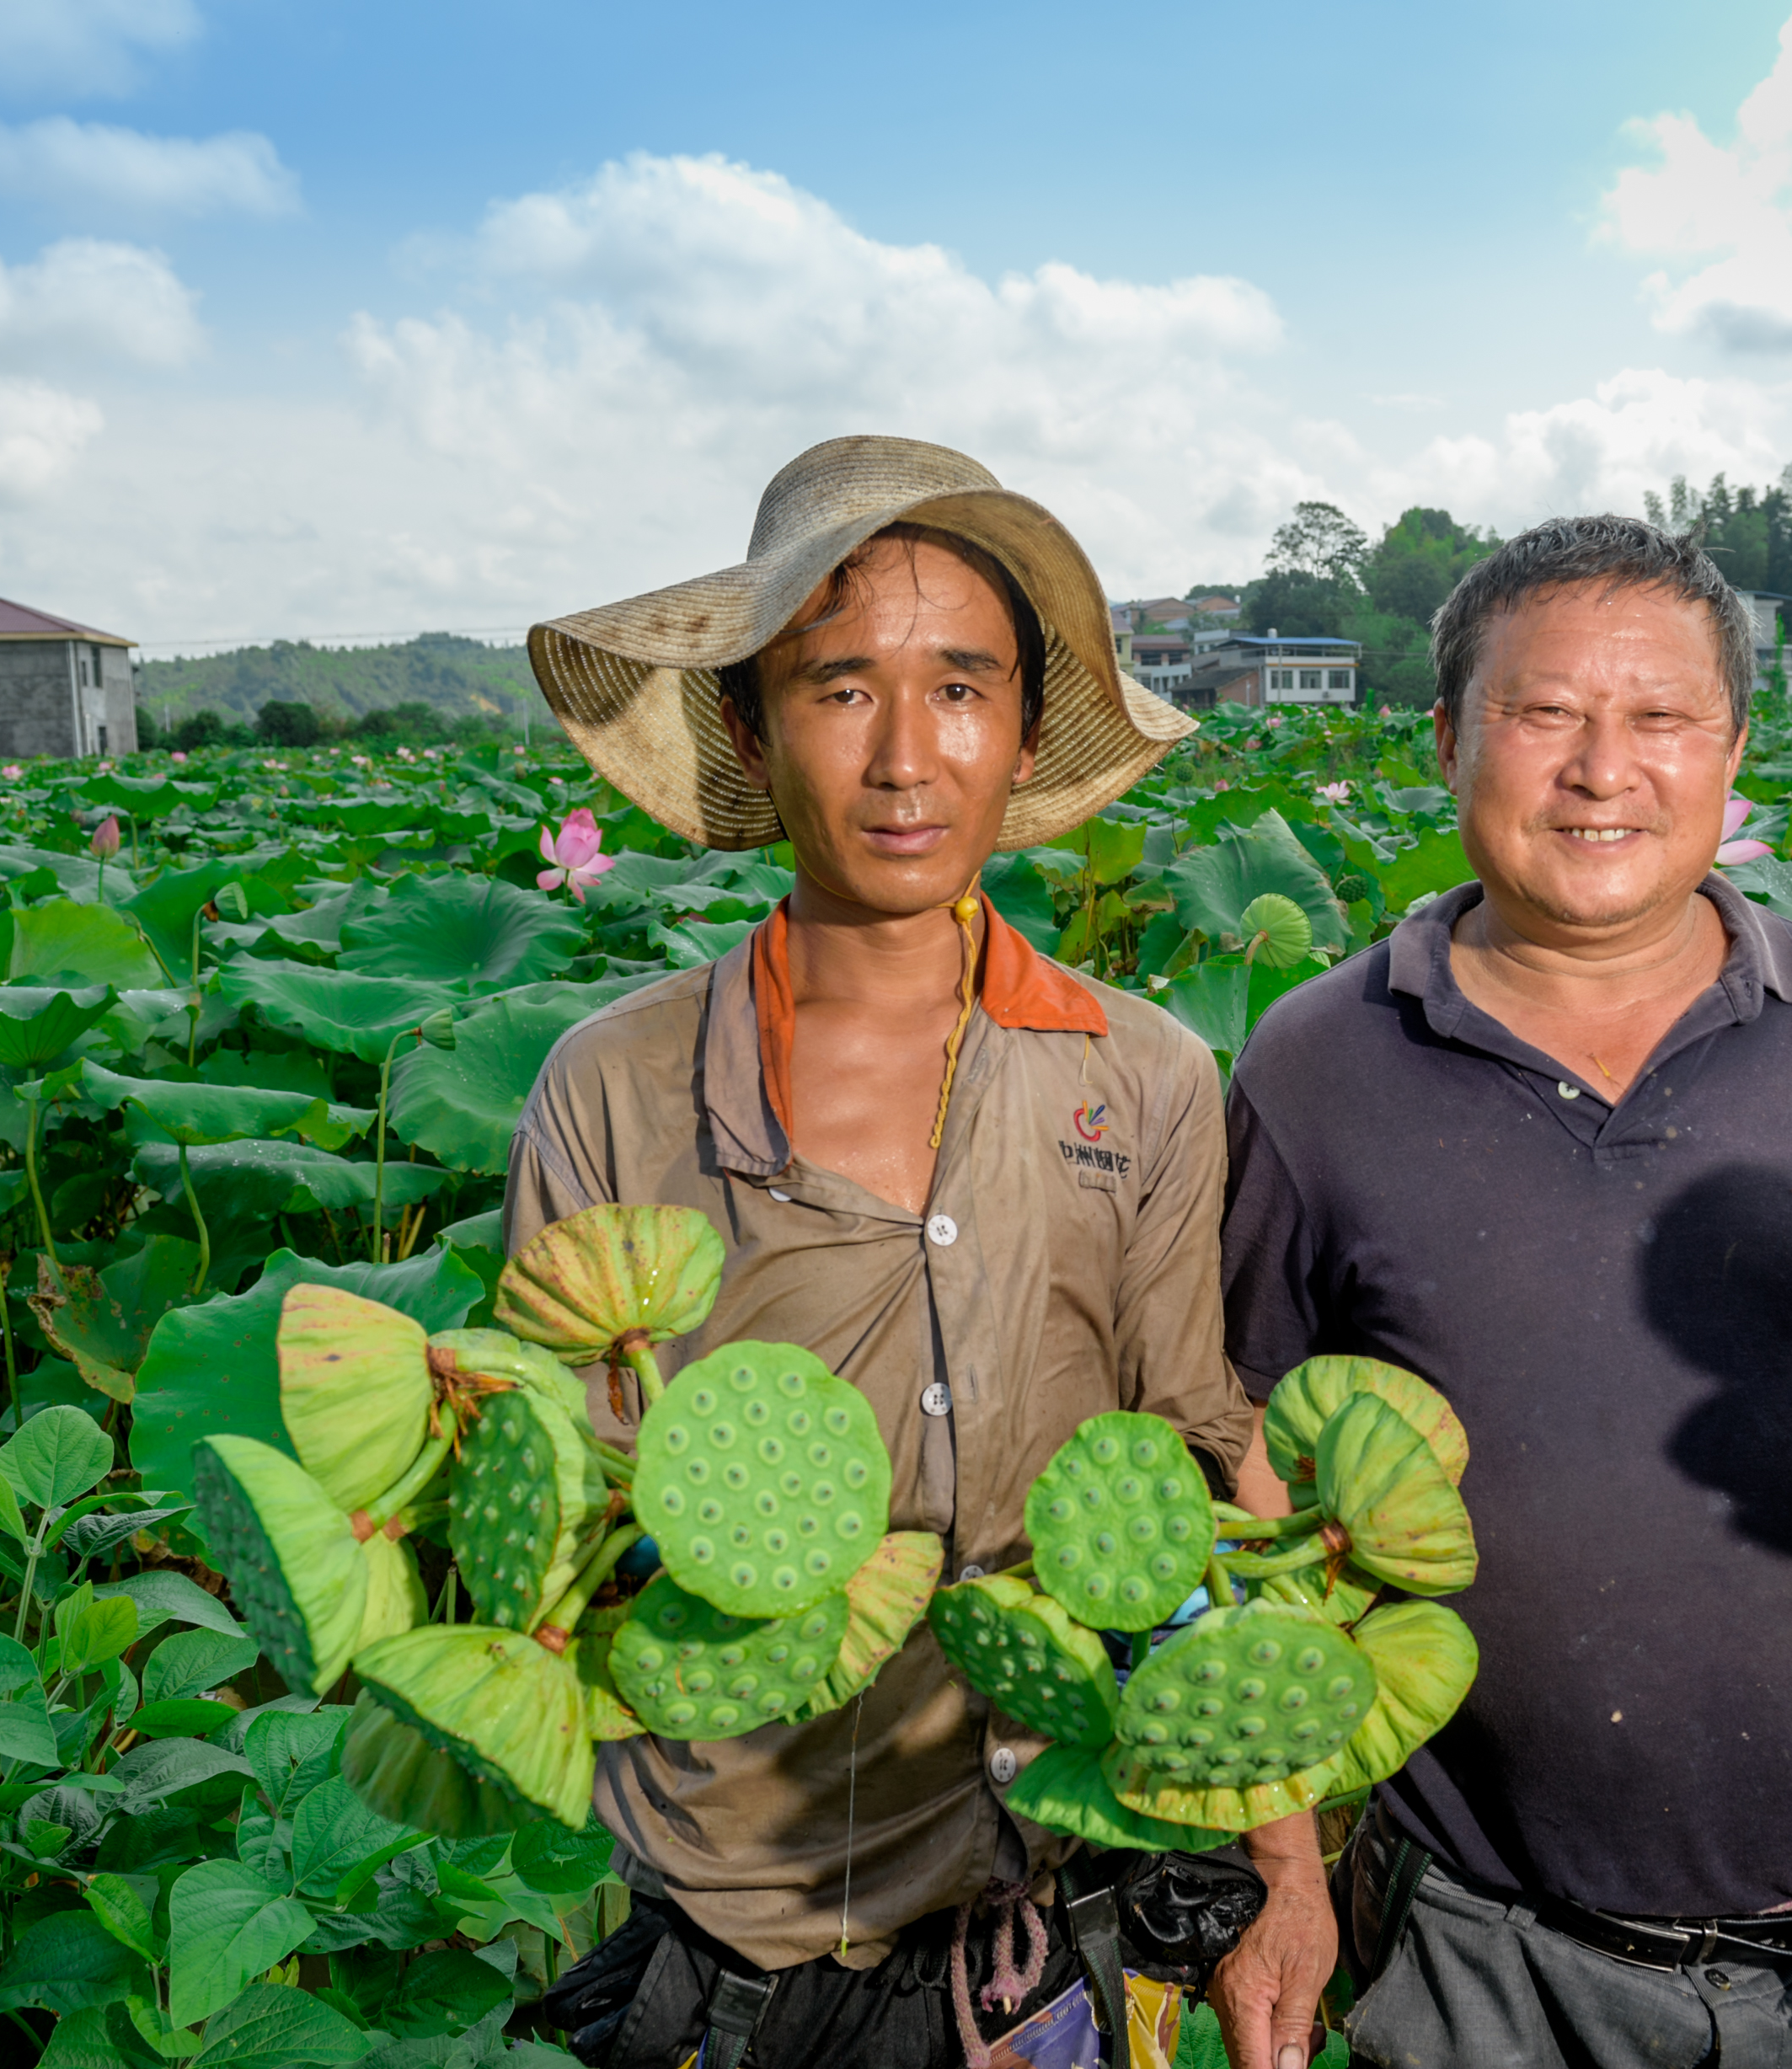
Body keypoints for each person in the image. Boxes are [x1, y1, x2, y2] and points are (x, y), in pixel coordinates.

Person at [506, 436, 1316, 2068]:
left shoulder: (1144, 1073)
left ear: (1021, 732)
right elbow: (558, 1527)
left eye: (959, 688)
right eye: (837, 687)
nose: (903, 757)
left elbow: (1202, 1453)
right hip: (735, 1938)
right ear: (746, 720)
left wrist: (1286, 1864)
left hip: (1059, 1926)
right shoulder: (610, 1086)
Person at [1218, 516, 1792, 2069]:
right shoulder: (1314, 1066)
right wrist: (1288, 1876)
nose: (1602, 770)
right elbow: (1248, 1478)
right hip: (1479, 1948)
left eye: (1659, 719)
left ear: (1733, 750)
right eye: (1545, 713)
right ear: (1448, 739)